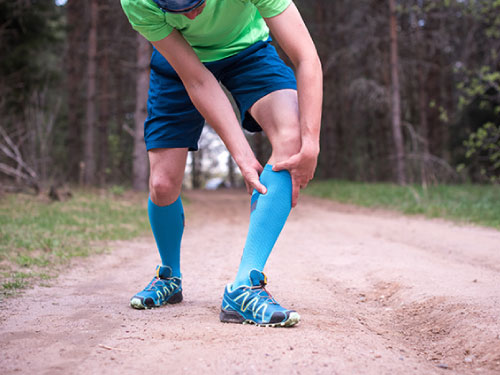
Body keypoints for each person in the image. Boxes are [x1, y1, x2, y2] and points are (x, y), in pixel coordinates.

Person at [120, 0, 322, 327]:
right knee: (162, 184)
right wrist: (241, 156)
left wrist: (310, 143)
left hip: (248, 51)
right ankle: (170, 276)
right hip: (181, 62)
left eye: (196, 3)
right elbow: (198, 80)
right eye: (178, 10)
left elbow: (306, 56)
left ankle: (245, 286)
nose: (192, 15)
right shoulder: (137, 2)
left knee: (291, 136)